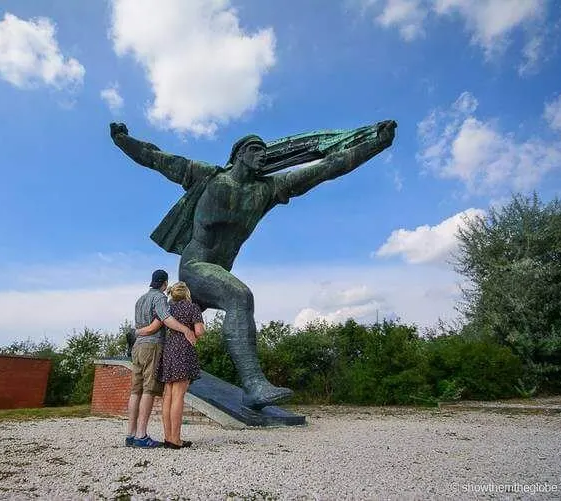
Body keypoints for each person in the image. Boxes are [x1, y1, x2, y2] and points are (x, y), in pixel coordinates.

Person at [110, 120, 396, 408]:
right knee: (239, 297)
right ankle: (254, 385)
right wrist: (123, 139)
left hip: (218, 272)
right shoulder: (208, 176)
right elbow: (155, 158)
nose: (262, 155)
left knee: (171, 322)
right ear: (239, 155)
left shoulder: (269, 189)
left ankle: (135, 338)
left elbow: (327, 168)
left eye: (264, 151)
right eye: (255, 149)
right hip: (196, 265)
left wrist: (375, 143)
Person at [125, 269, 196, 448]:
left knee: (135, 391)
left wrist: (137, 332)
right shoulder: (160, 298)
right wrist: (186, 329)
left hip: (137, 347)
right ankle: (141, 436)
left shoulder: (140, 299)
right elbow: (165, 320)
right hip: (152, 346)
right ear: (164, 283)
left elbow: (141, 327)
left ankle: (130, 434)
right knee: (148, 390)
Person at [143, 281, 205, 449]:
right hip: (183, 351)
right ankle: (176, 440)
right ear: (186, 294)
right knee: (178, 396)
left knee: (168, 395)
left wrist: (139, 332)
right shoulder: (192, 308)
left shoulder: (167, 308)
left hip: (168, 350)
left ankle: (168, 437)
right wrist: (194, 332)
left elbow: (154, 327)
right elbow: (199, 331)